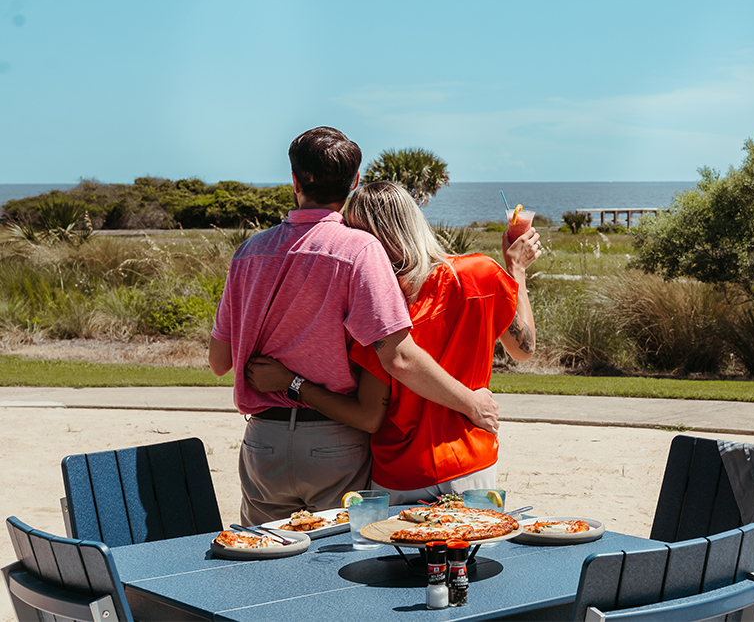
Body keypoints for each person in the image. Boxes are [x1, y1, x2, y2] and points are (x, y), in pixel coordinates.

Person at [209, 128, 499, 524]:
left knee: (264, 560)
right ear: (355, 181)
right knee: (338, 562)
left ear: (294, 180)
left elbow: (220, 361)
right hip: (335, 436)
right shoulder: (360, 249)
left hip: (263, 440)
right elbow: (397, 355)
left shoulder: (248, 253)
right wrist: (472, 403)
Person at [246, 180, 541, 504]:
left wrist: (292, 383)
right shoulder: (480, 274)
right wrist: (516, 271)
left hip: (400, 473)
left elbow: (368, 415)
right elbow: (523, 350)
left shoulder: (377, 309)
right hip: (471, 460)